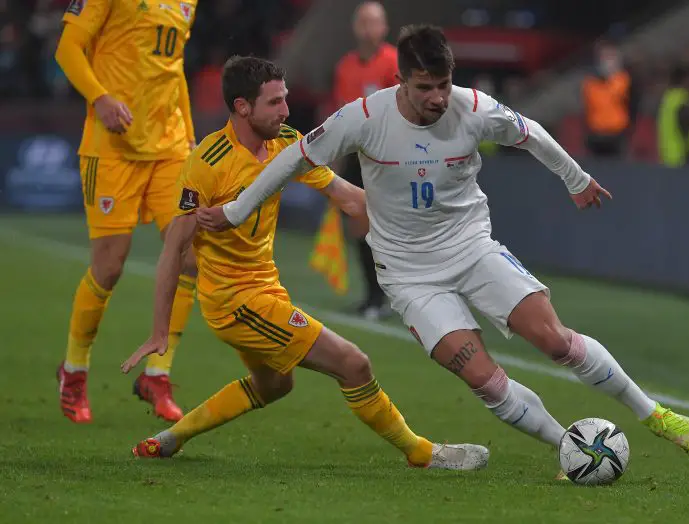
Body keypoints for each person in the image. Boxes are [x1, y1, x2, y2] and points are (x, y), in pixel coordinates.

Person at [198, 26, 689, 464]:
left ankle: (655, 413)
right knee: (484, 379)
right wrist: (237, 209)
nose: (438, 98)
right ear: (400, 80)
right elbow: (293, 159)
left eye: (443, 84)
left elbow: (530, 133)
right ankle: (572, 448)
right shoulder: (364, 118)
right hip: (409, 275)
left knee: (556, 342)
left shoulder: (473, 108)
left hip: (472, 249)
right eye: (425, 87)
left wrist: (575, 179)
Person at [120, 56, 488, 470]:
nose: (286, 110)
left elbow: (348, 197)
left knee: (274, 385)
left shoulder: (286, 142)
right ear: (243, 107)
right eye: (274, 102)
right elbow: (173, 248)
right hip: (235, 301)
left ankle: (169, 439)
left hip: (265, 287)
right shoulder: (208, 163)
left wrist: (418, 212)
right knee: (353, 363)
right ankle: (423, 453)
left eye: (285, 99)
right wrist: (158, 330)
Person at [53, 0, 199, 423]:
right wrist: (99, 98)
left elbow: (174, 68)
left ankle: (158, 374)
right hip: (113, 149)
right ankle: (74, 371)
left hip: (169, 148)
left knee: (191, 255)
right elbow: (67, 47)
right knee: (109, 267)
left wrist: (188, 136)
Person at [332, 1, 399, 320]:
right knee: (359, 227)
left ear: (384, 28)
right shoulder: (345, 65)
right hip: (357, 157)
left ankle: (404, 294)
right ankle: (373, 295)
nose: (368, 28)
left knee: (393, 230)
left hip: (390, 159)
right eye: (363, 21)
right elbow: (341, 116)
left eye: (374, 22)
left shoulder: (393, 62)